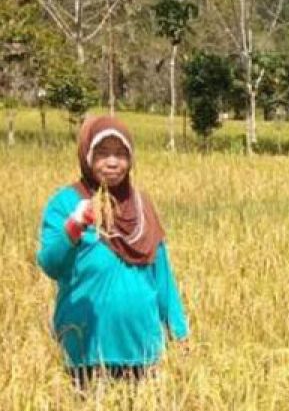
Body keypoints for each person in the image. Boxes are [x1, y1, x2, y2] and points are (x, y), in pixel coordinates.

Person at [36, 115, 189, 389]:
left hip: (142, 348)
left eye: (121, 154)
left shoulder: (141, 206)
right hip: (85, 350)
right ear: (86, 155)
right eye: (102, 153)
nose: (112, 162)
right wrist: (73, 227)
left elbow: (162, 275)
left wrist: (179, 331)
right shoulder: (66, 202)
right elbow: (50, 264)